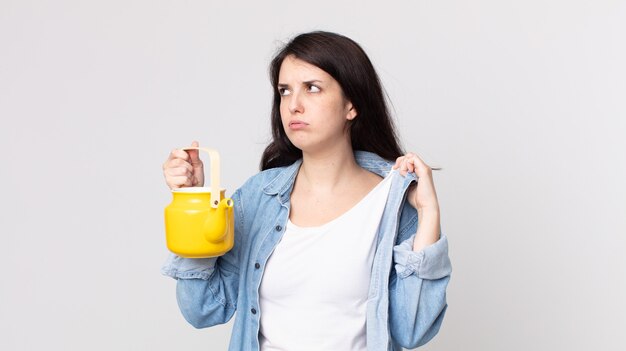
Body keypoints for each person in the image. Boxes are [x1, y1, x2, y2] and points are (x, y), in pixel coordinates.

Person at [161, 31, 451, 351]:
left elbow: (413, 329)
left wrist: (428, 213)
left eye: (312, 88)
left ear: (351, 105)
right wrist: (196, 204)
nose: (294, 106)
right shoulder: (258, 198)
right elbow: (202, 309)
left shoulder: (392, 204)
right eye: (285, 91)